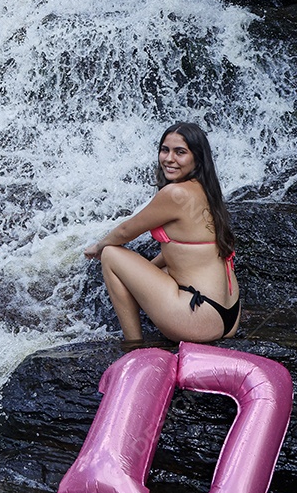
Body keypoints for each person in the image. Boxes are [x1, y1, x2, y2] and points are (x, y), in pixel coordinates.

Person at [85, 122, 240, 343]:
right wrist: (140, 274)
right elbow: (178, 252)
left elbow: (126, 231)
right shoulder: (207, 190)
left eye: (180, 152)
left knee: (111, 253)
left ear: (197, 157)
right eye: (165, 150)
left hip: (199, 317)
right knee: (161, 268)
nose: (169, 158)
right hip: (229, 316)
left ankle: (134, 346)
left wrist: (98, 247)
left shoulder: (175, 193)